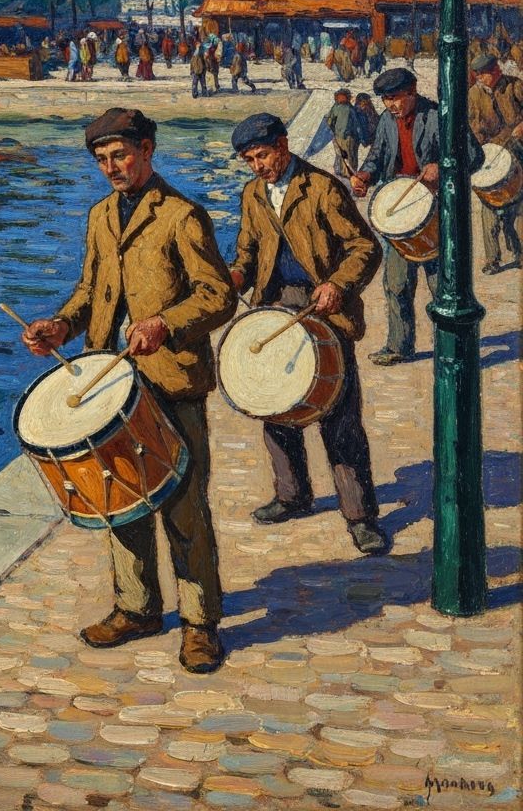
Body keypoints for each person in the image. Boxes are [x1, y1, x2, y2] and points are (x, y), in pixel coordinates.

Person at [21, 108, 237, 672]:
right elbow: (91, 288)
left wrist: (164, 323)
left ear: (147, 151)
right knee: (122, 502)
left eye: (121, 156)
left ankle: (199, 624)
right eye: (102, 160)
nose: (112, 168)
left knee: (185, 508)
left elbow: (218, 296)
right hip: (111, 384)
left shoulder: (184, 215)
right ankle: (137, 608)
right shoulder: (99, 217)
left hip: (172, 380)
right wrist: (60, 326)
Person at [229, 113, 386, 554]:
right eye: (248, 160)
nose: (257, 166)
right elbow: (247, 251)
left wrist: (338, 284)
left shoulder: (321, 188)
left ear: (282, 145)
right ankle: (291, 495)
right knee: (274, 406)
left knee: (339, 416)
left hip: (325, 307)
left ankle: (360, 517)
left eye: (261, 155)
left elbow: (364, 247)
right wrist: (236, 277)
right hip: (274, 307)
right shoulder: (252, 194)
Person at [352, 68, 483, 364]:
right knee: (396, 284)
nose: (390, 106)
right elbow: (377, 156)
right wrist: (365, 175)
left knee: (442, 289)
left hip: (436, 213)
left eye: (395, 98)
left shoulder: (439, 117)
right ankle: (400, 346)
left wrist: (442, 167)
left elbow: (474, 157)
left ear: (412, 91)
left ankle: (452, 349)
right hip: (401, 215)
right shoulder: (386, 120)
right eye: (386, 100)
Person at [467, 52, 523, 273]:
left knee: (517, 209)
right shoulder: (473, 95)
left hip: (518, 153)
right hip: (490, 156)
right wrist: (482, 149)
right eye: (478, 75)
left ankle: (520, 254)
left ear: (496, 70)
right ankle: (492, 258)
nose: (482, 79)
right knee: (489, 209)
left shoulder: (515, 86)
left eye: (485, 74)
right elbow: (473, 127)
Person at [324, 87, 366, 178]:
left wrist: (333, 131)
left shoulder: (336, 107)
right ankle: (349, 174)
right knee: (350, 156)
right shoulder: (349, 109)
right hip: (348, 137)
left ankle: (343, 173)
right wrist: (362, 138)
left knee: (341, 155)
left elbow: (329, 120)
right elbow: (357, 125)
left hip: (341, 136)